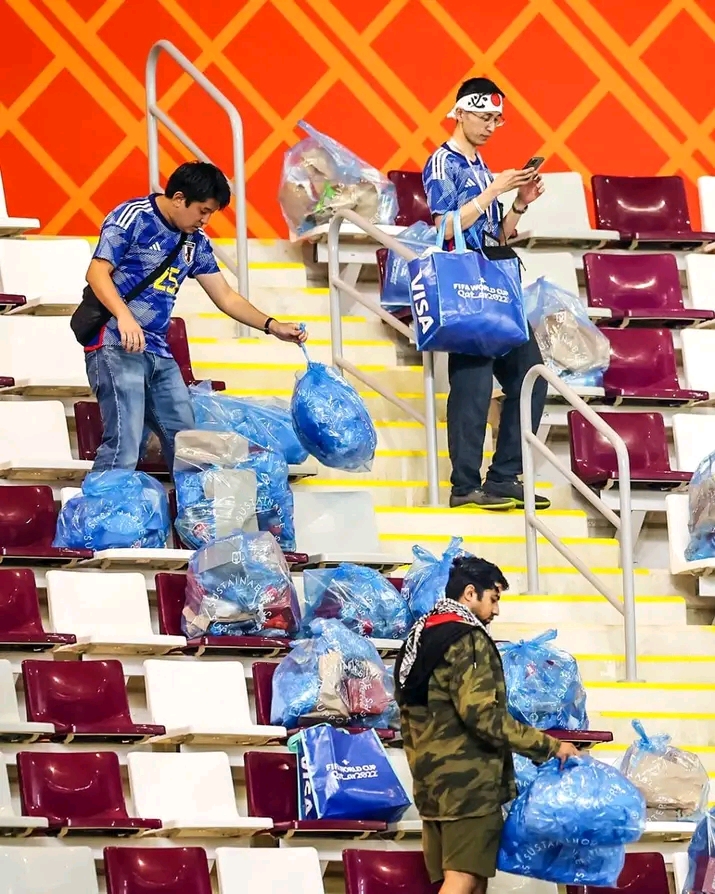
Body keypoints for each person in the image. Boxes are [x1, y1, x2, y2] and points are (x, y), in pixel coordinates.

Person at [79, 161, 307, 471]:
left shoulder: (194, 241)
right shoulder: (132, 217)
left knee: (189, 448)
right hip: (114, 342)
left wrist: (272, 326)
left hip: (158, 351)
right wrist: (124, 316)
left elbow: (225, 296)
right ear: (178, 198)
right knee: (124, 446)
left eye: (211, 213)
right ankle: (105, 502)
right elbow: (96, 272)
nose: (206, 220)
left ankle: (192, 504)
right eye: (203, 210)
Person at [395, 556, 579, 894]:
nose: (496, 610)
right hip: (468, 786)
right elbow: (484, 717)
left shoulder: (419, 636)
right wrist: (550, 747)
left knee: (473, 881)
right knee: (463, 879)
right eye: (493, 599)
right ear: (470, 593)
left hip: (431, 783)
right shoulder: (468, 639)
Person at [423, 77, 550, 511]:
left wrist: (519, 203)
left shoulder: (480, 166)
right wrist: (494, 190)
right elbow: (444, 228)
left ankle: (503, 476)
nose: (491, 126)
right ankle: (464, 486)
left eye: (497, 119)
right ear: (459, 113)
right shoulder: (442, 163)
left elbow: (495, 235)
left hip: (494, 281)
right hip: (465, 286)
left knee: (532, 376)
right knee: (473, 387)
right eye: (484, 117)